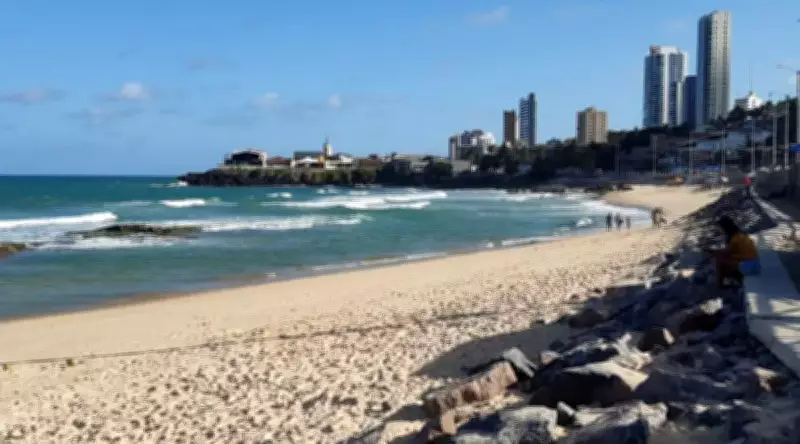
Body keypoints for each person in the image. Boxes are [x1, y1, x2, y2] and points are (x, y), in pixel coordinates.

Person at [703, 215, 760, 289]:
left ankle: (721, 287)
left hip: (748, 267)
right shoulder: (740, 235)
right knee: (726, 261)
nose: (721, 231)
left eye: (721, 228)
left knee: (720, 261)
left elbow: (726, 253)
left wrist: (711, 252)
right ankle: (733, 280)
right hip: (753, 265)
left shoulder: (735, 239)